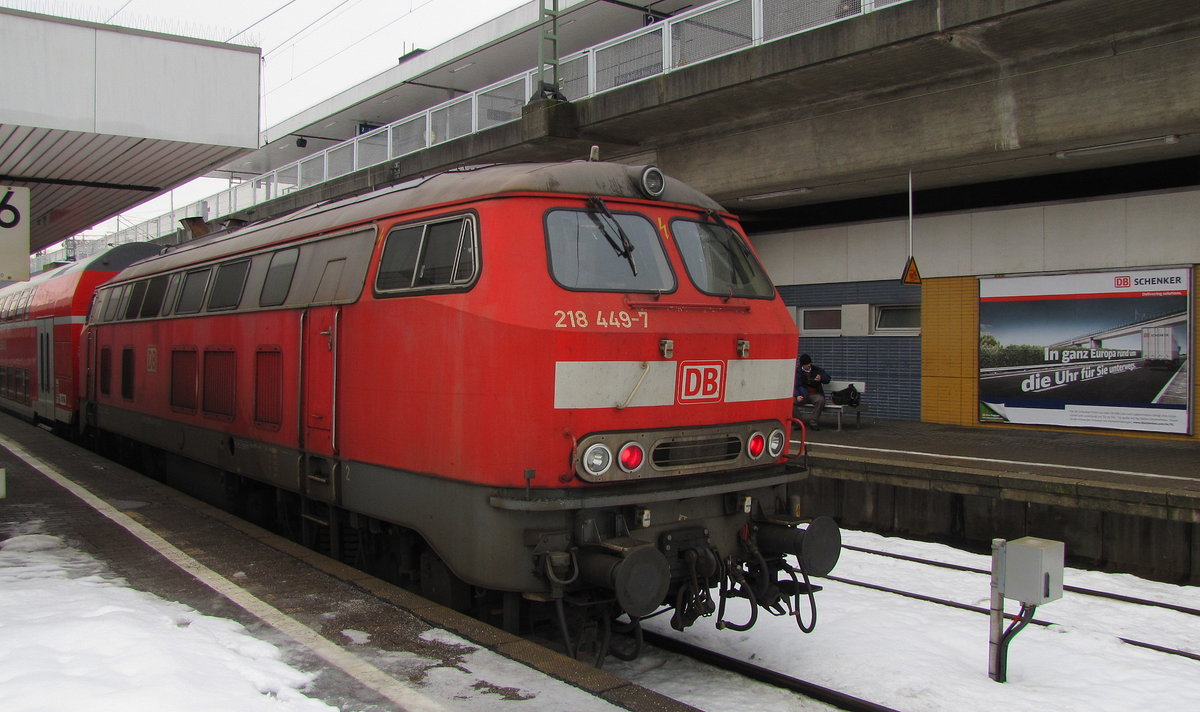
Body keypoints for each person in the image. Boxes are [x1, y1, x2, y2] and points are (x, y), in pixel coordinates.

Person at [794, 353, 831, 430]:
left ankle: (813, 422)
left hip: (814, 394)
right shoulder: (797, 372)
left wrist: (821, 378)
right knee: (790, 402)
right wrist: (797, 395)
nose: (809, 365)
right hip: (803, 394)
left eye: (810, 363)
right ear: (802, 365)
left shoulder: (816, 370)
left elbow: (827, 379)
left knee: (820, 400)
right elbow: (795, 385)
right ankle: (799, 422)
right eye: (807, 364)